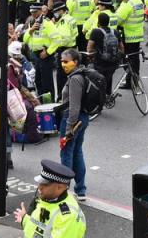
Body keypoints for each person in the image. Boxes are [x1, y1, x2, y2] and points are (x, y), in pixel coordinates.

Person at [14, 160, 87, 237]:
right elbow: (39, 226)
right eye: (40, 183)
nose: (39, 187)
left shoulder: (68, 216)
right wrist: (24, 219)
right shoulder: (47, 199)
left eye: (45, 184)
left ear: (60, 187)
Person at [57, 49, 89, 201]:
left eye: (66, 61)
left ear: (75, 62)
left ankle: (64, 189)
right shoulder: (79, 74)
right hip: (81, 119)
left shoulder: (75, 79)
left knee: (67, 153)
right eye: (62, 61)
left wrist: (69, 128)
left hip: (73, 120)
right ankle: (80, 190)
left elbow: (74, 107)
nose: (63, 64)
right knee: (77, 152)